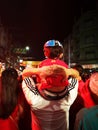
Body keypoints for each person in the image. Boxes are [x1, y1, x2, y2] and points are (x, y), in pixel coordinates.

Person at [21, 64, 79, 130]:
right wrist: (65, 71)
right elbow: (76, 75)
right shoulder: (69, 98)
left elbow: (25, 74)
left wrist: (40, 70)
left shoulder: (34, 99)